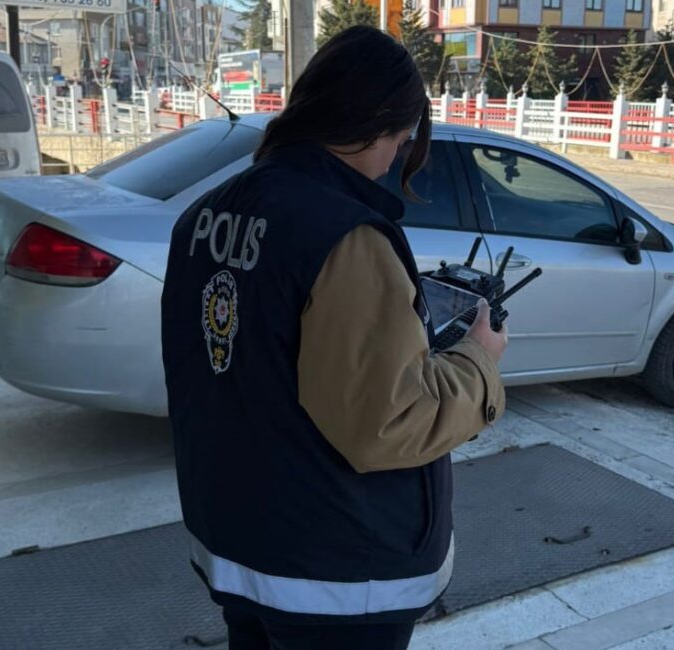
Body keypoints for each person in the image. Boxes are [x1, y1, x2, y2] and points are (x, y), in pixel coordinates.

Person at [161, 26, 507, 650]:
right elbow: (387, 422)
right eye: (402, 141)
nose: (397, 155)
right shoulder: (346, 236)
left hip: (240, 542)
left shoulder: (204, 215)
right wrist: (478, 360)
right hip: (337, 573)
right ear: (377, 123)